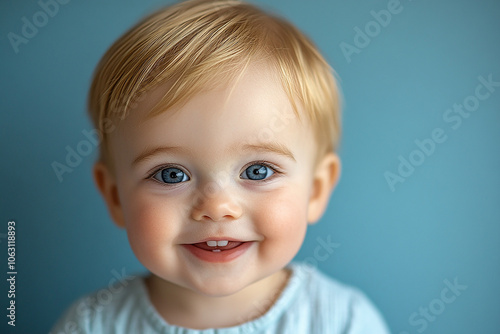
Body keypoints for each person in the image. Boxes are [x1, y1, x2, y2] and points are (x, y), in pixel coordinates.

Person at [51, 0, 390, 332]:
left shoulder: (343, 321)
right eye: (171, 175)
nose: (216, 207)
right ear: (114, 196)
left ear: (315, 190)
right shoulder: (91, 324)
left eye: (258, 171)